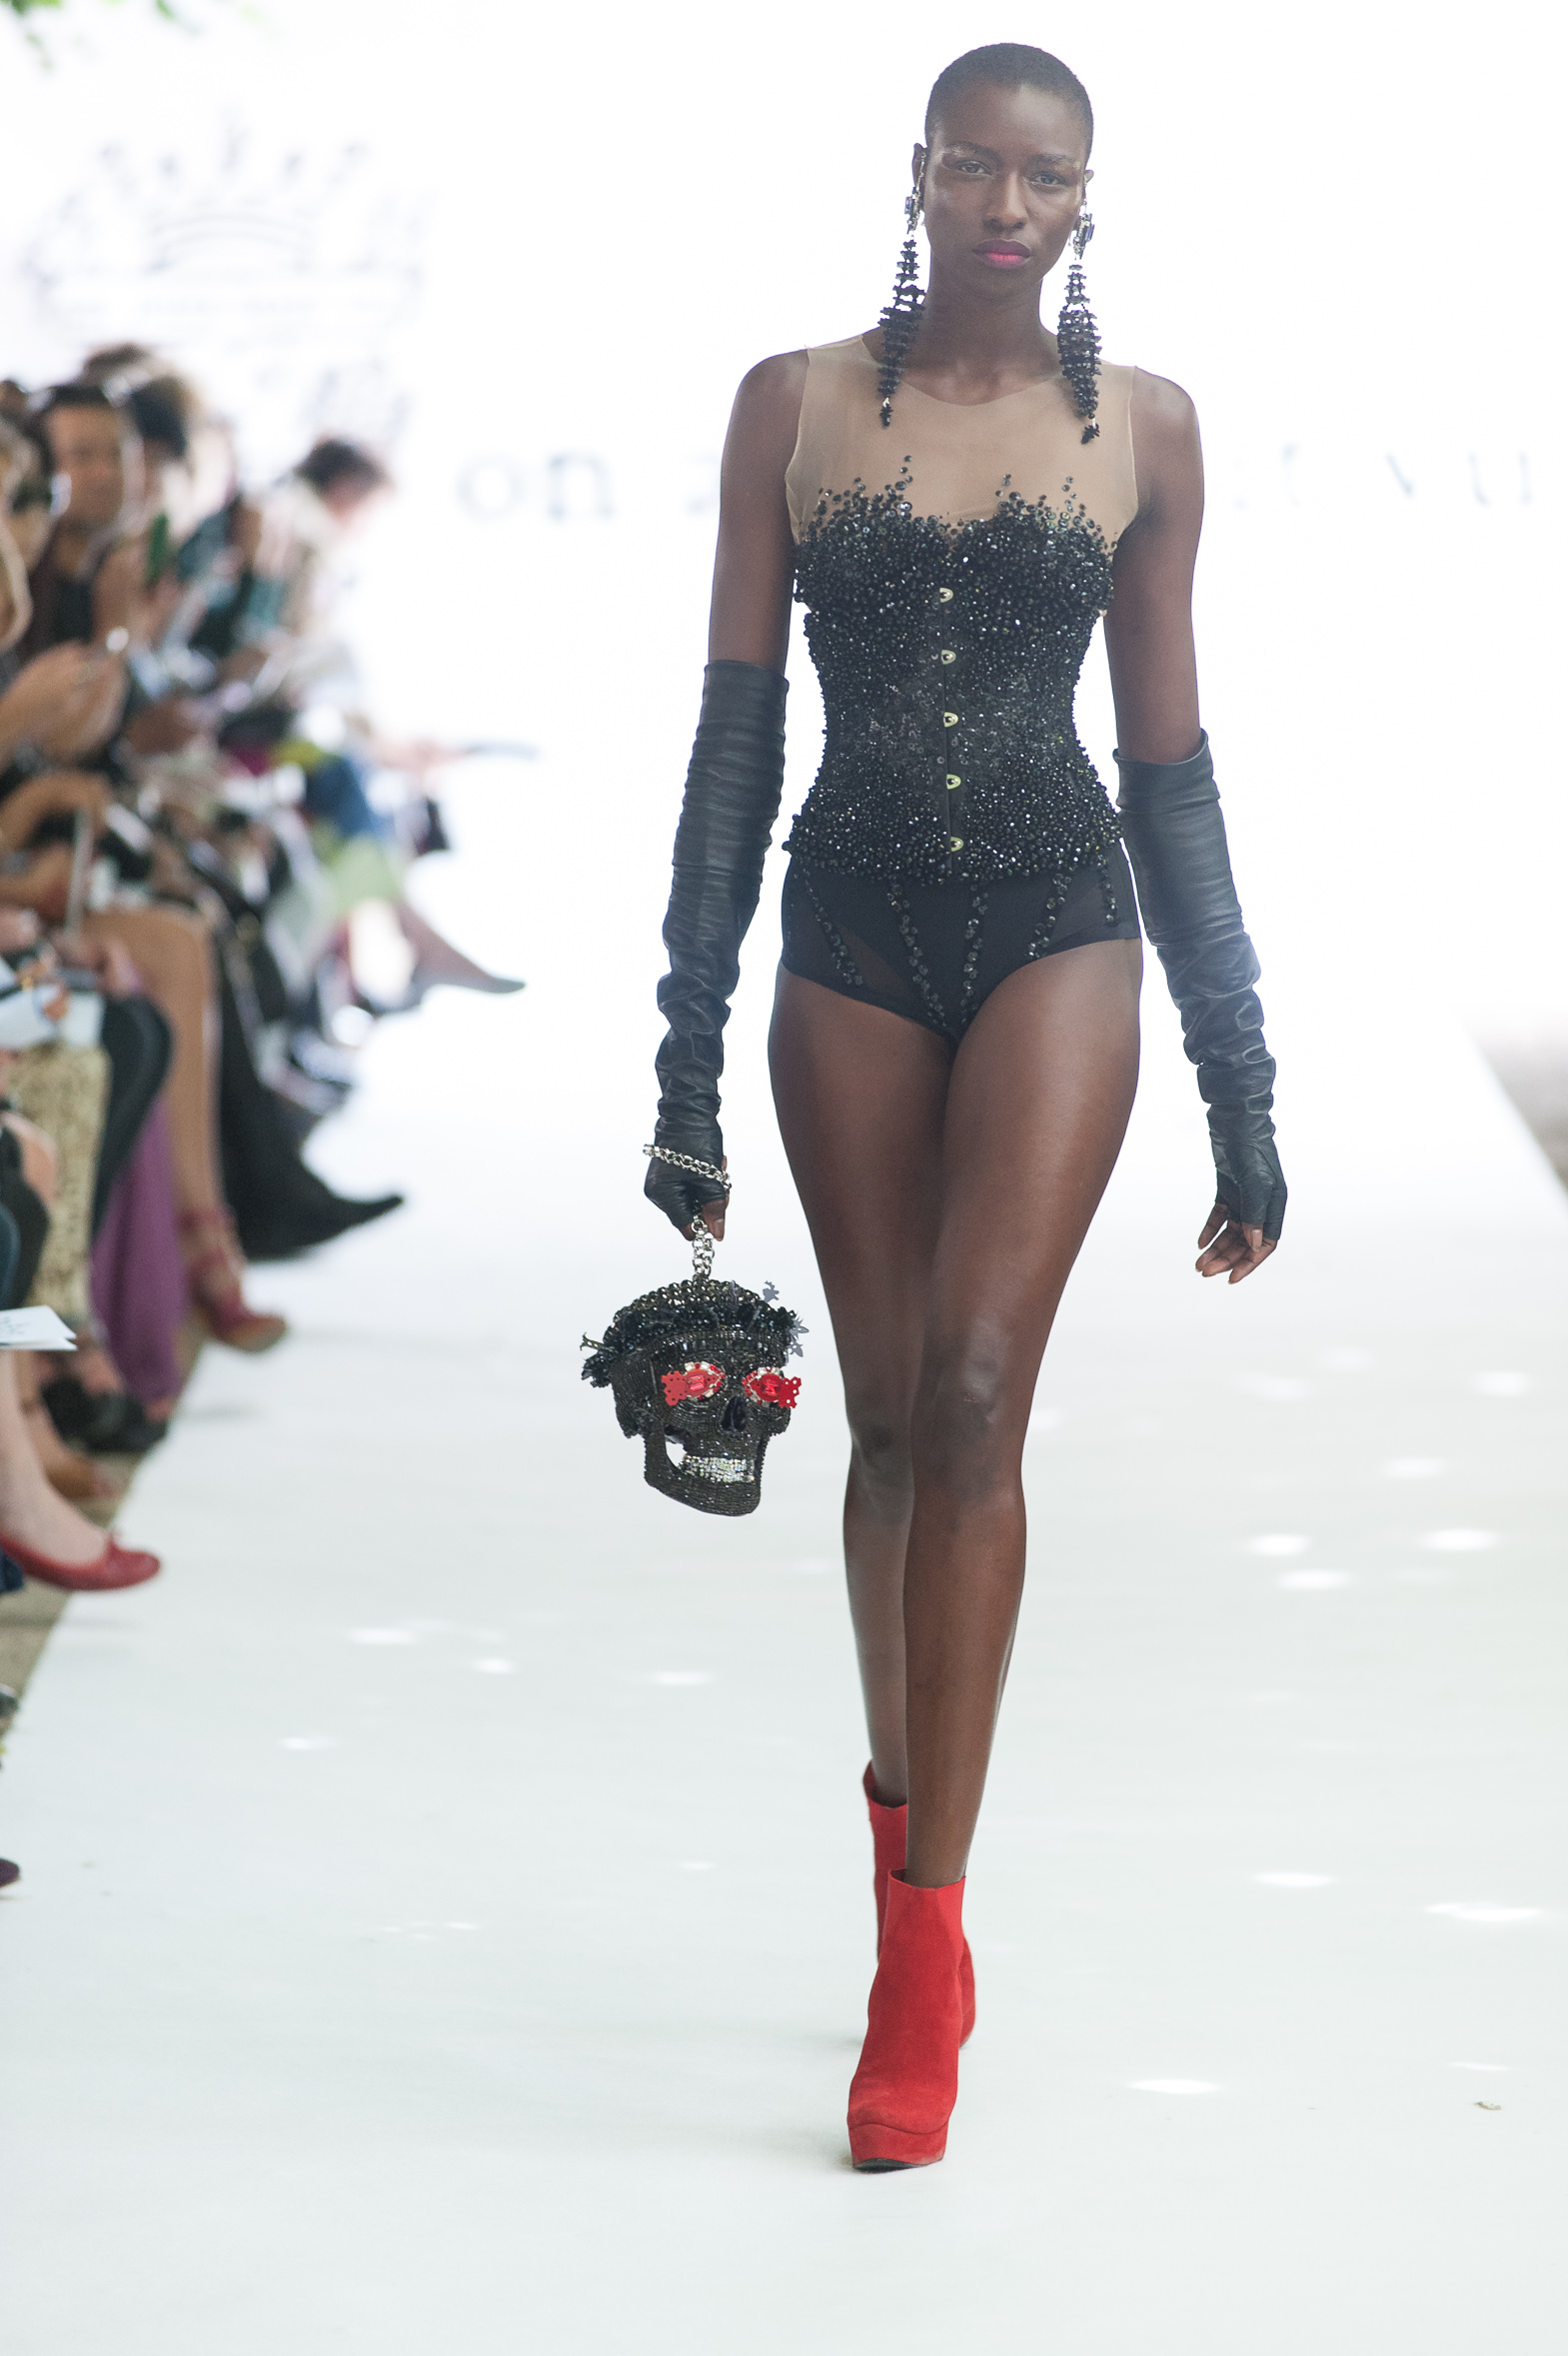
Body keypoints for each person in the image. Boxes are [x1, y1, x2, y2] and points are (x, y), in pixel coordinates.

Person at [642, 43, 1286, 2170]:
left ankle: (924, 1954)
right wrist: (682, 1042)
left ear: (1086, 200)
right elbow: (733, 738)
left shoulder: (1146, 430)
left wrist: (1238, 1073)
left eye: (1049, 177)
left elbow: (1169, 768)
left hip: (1056, 925)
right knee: (890, 1422)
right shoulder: (791, 404)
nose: (1009, 204)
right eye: (977, 167)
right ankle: (893, 1838)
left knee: (982, 1388)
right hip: (843, 928)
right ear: (915, 172)